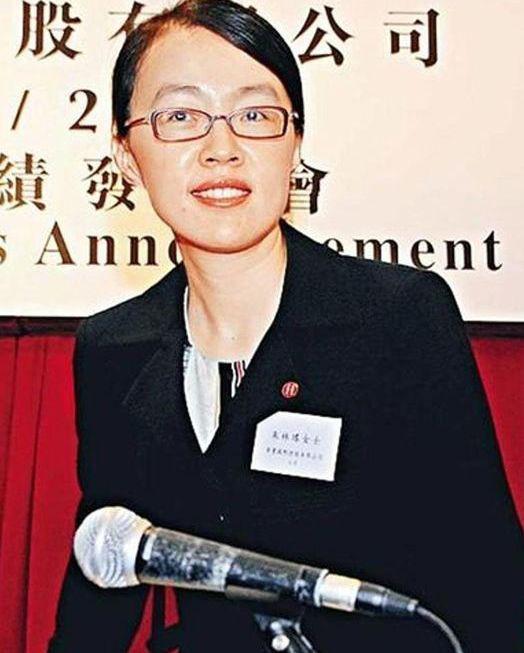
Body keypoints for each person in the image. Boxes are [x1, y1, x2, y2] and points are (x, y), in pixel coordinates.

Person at [49, 1, 523, 651]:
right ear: (127, 155)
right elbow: (109, 572)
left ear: (294, 144)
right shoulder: (113, 348)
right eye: (181, 116)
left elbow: (488, 581)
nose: (221, 149)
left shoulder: (396, 318)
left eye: (254, 116)